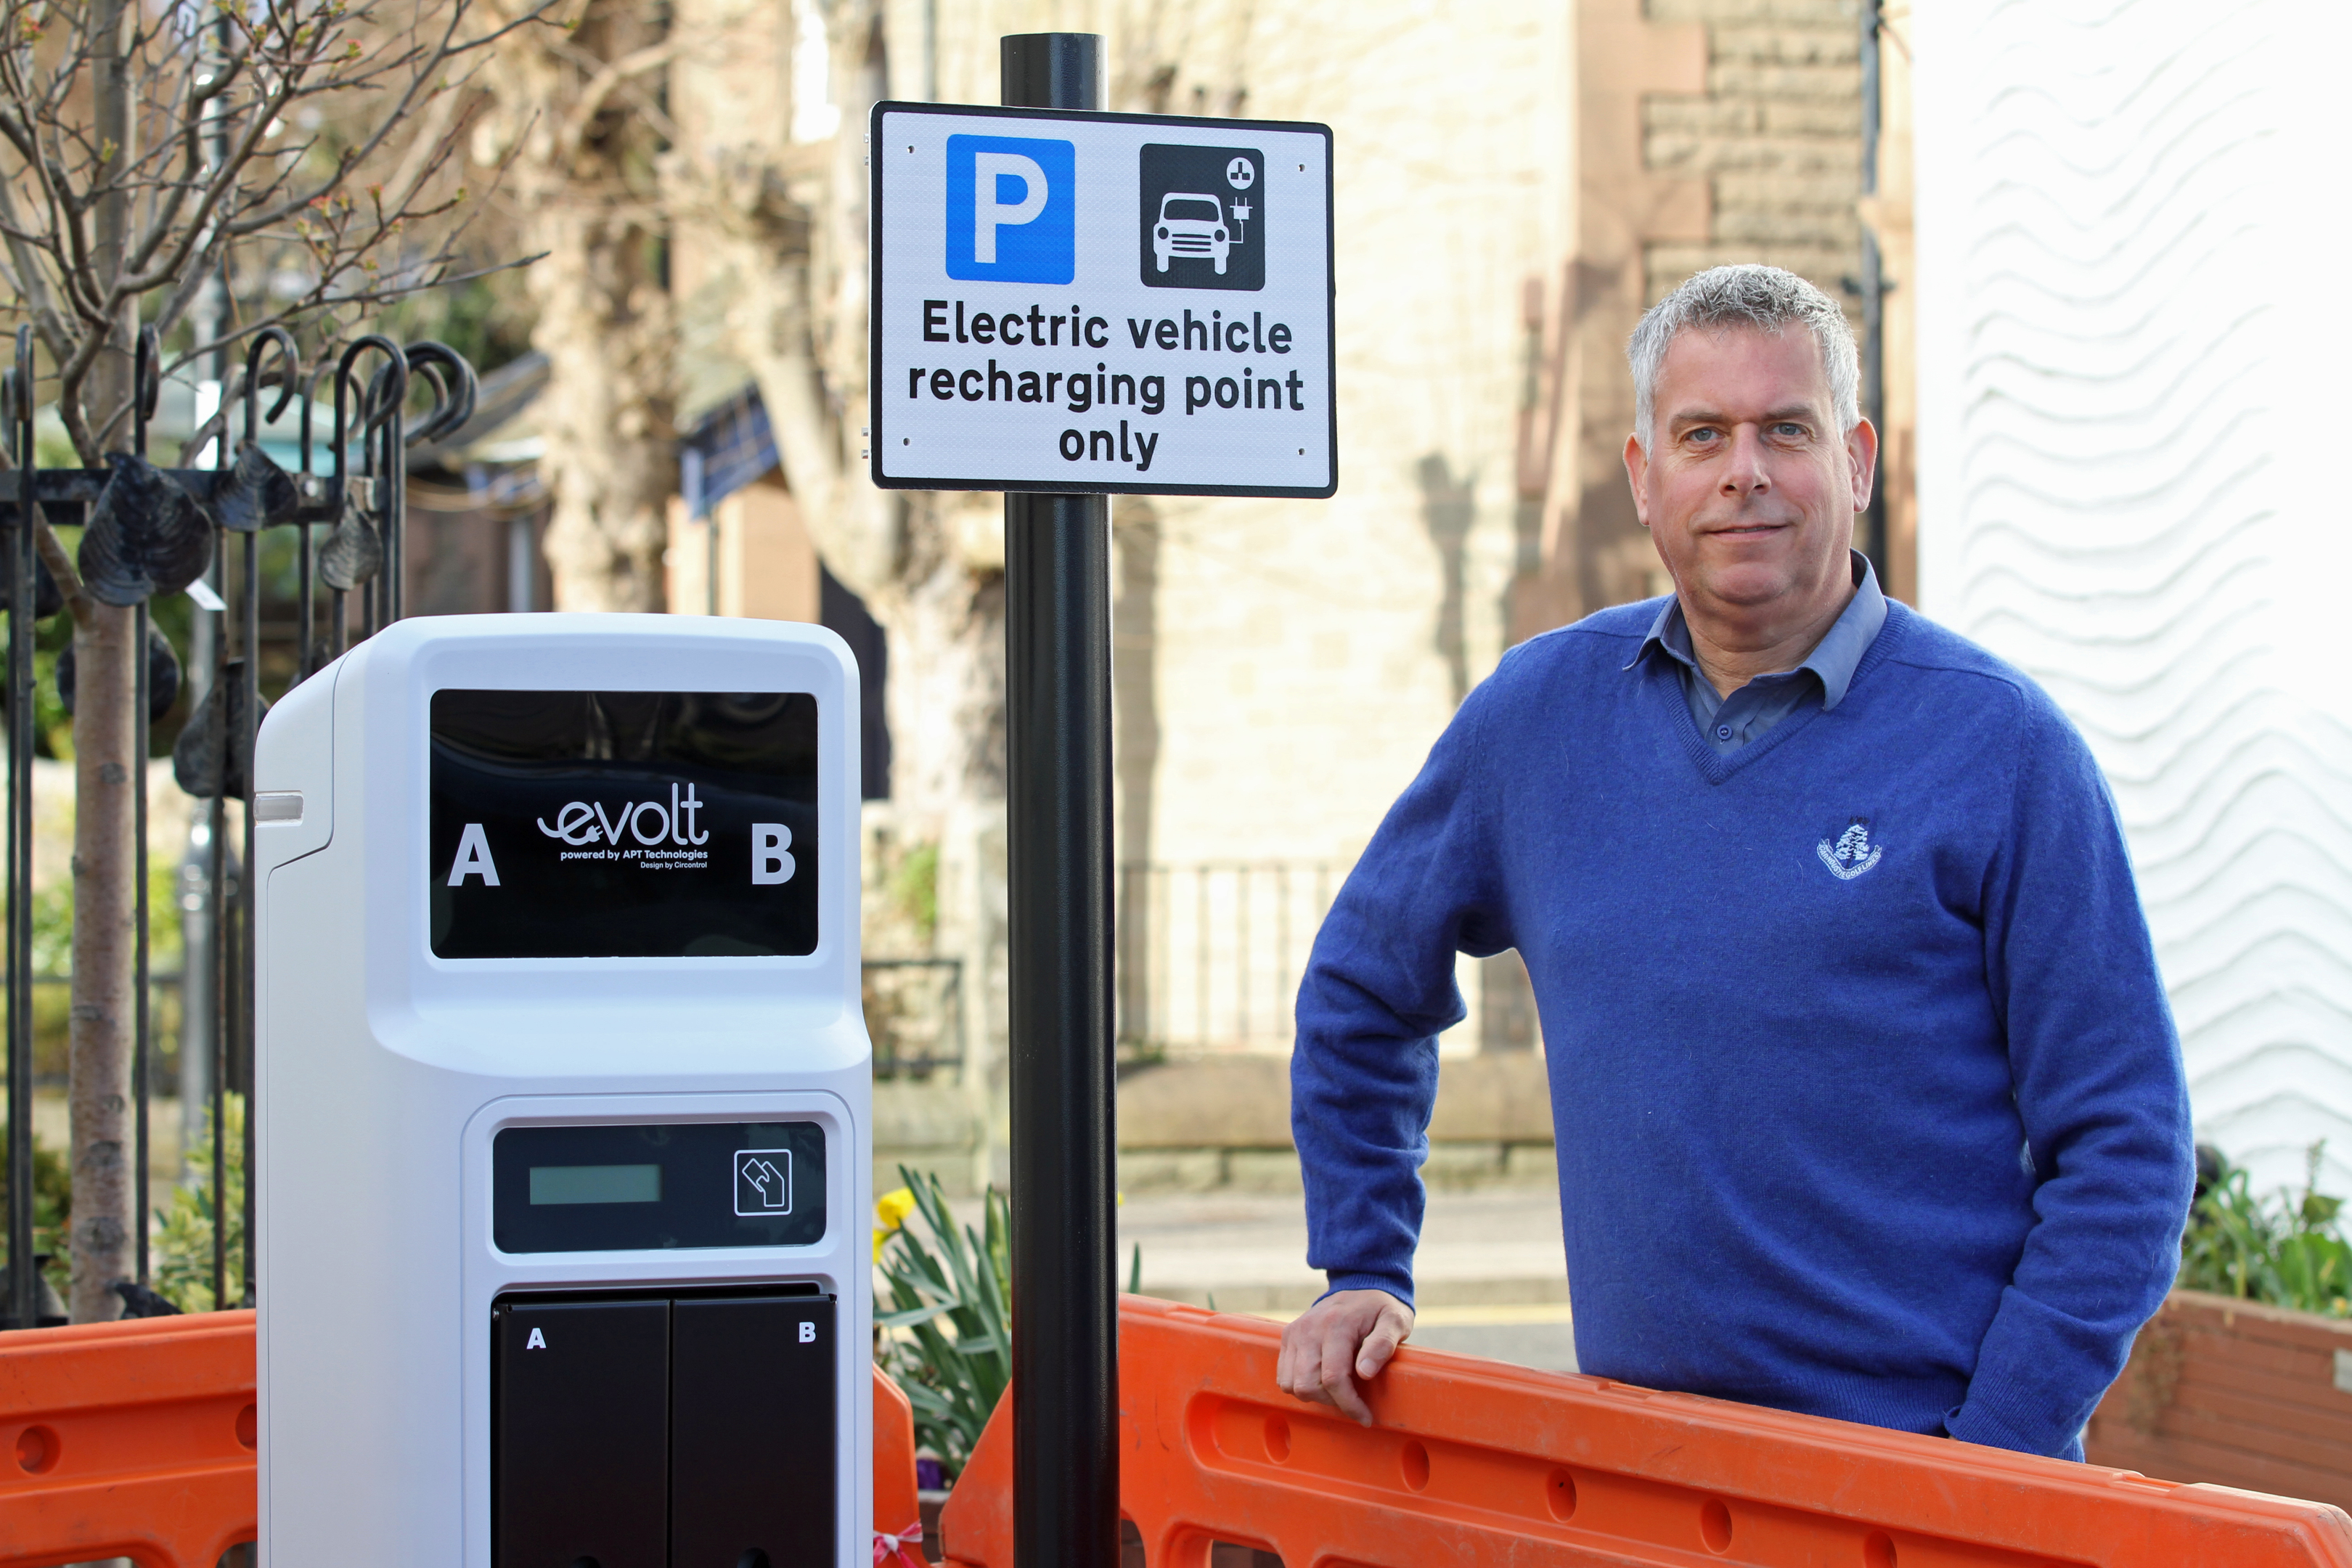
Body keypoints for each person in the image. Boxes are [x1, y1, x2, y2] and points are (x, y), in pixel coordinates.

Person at [1274, 264, 2193, 1460]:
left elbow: (2127, 1144)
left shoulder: (2002, 750)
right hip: (1648, 1479)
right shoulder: (1537, 718)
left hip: (1929, 1479)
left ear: (1856, 462)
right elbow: (1360, 990)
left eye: (1787, 431)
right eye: (1702, 434)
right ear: (1645, 477)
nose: (1744, 471)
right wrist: (1363, 1260)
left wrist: (1990, 1454)